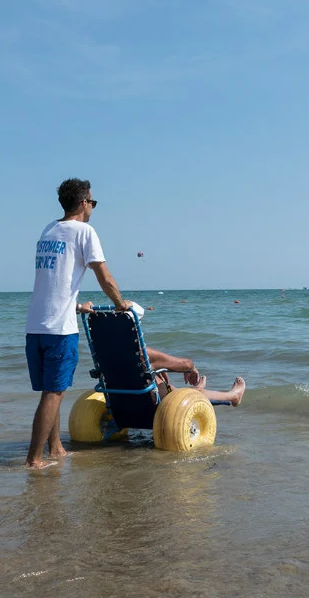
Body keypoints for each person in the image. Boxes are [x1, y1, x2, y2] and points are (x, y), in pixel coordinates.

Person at [24, 178, 133, 469]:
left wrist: (76, 306)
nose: (93, 208)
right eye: (93, 203)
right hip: (60, 330)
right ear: (84, 203)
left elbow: (52, 285)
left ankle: (56, 448)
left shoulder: (48, 231)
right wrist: (120, 303)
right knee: (54, 392)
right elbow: (105, 277)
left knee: (51, 390)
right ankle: (34, 460)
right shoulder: (85, 231)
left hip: (35, 326)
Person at [76, 301, 247, 406]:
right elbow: (185, 363)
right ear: (134, 326)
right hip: (151, 405)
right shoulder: (142, 354)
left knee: (159, 379)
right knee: (188, 396)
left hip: (121, 403)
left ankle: (194, 390)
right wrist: (192, 368)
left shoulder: (103, 350)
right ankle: (233, 396)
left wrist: (159, 368)